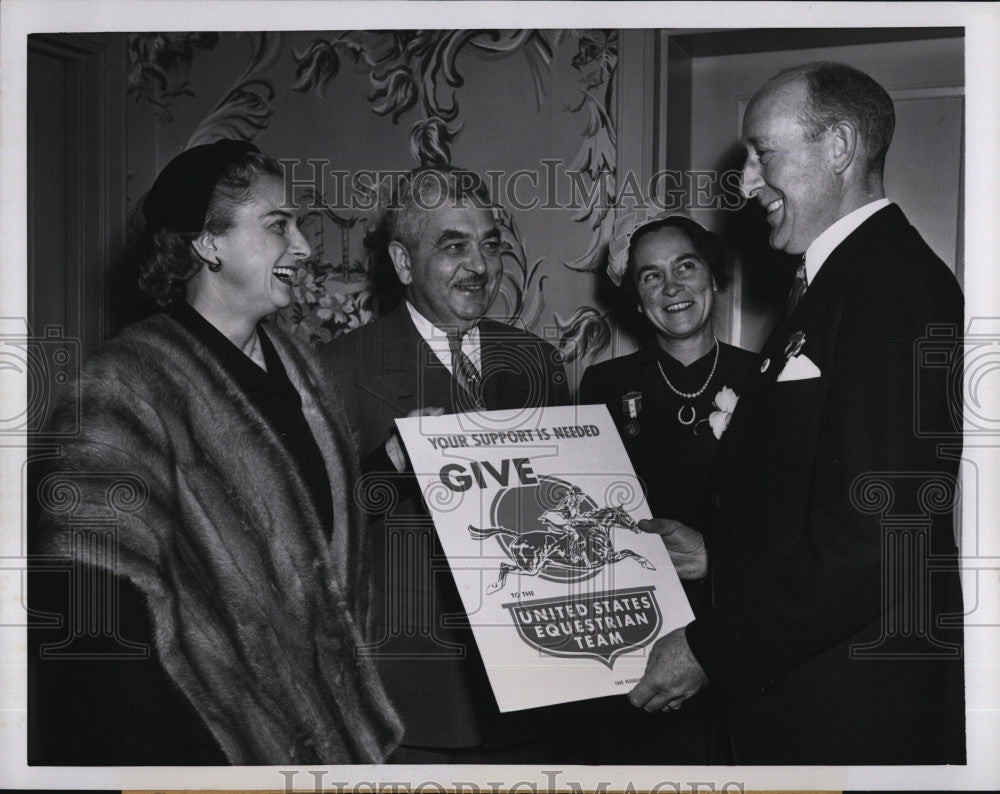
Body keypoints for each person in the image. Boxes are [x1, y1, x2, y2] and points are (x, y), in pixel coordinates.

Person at [630, 62, 965, 764]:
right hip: (811, 691)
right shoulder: (835, 282)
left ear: (839, 146)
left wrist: (708, 649)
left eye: (763, 153)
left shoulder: (892, 287)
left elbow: (874, 541)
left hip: (850, 713)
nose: (747, 182)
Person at [28, 139, 401, 765]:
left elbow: (304, 528)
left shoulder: (297, 364)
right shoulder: (124, 387)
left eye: (300, 226)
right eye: (279, 225)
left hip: (318, 732)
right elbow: (94, 614)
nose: (305, 247)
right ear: (207, 243)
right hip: (194, 739)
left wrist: (390, 462)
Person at [320, 166, 571, 762]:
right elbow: (313, 525)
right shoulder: (338, 368)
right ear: (404, 265)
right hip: (408, 697)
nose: (480, 266)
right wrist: (391, 460)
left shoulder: (538, 361)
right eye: (453, 245)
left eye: (490, 245)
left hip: (534, 688)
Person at [578, 212, 756, 763]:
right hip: (633, 640)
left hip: (738, 634)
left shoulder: (766, 382)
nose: (672, 286)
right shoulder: (603, 385)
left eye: (685, 266)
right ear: (635, 297)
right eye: (651, 276)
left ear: (714, 277)